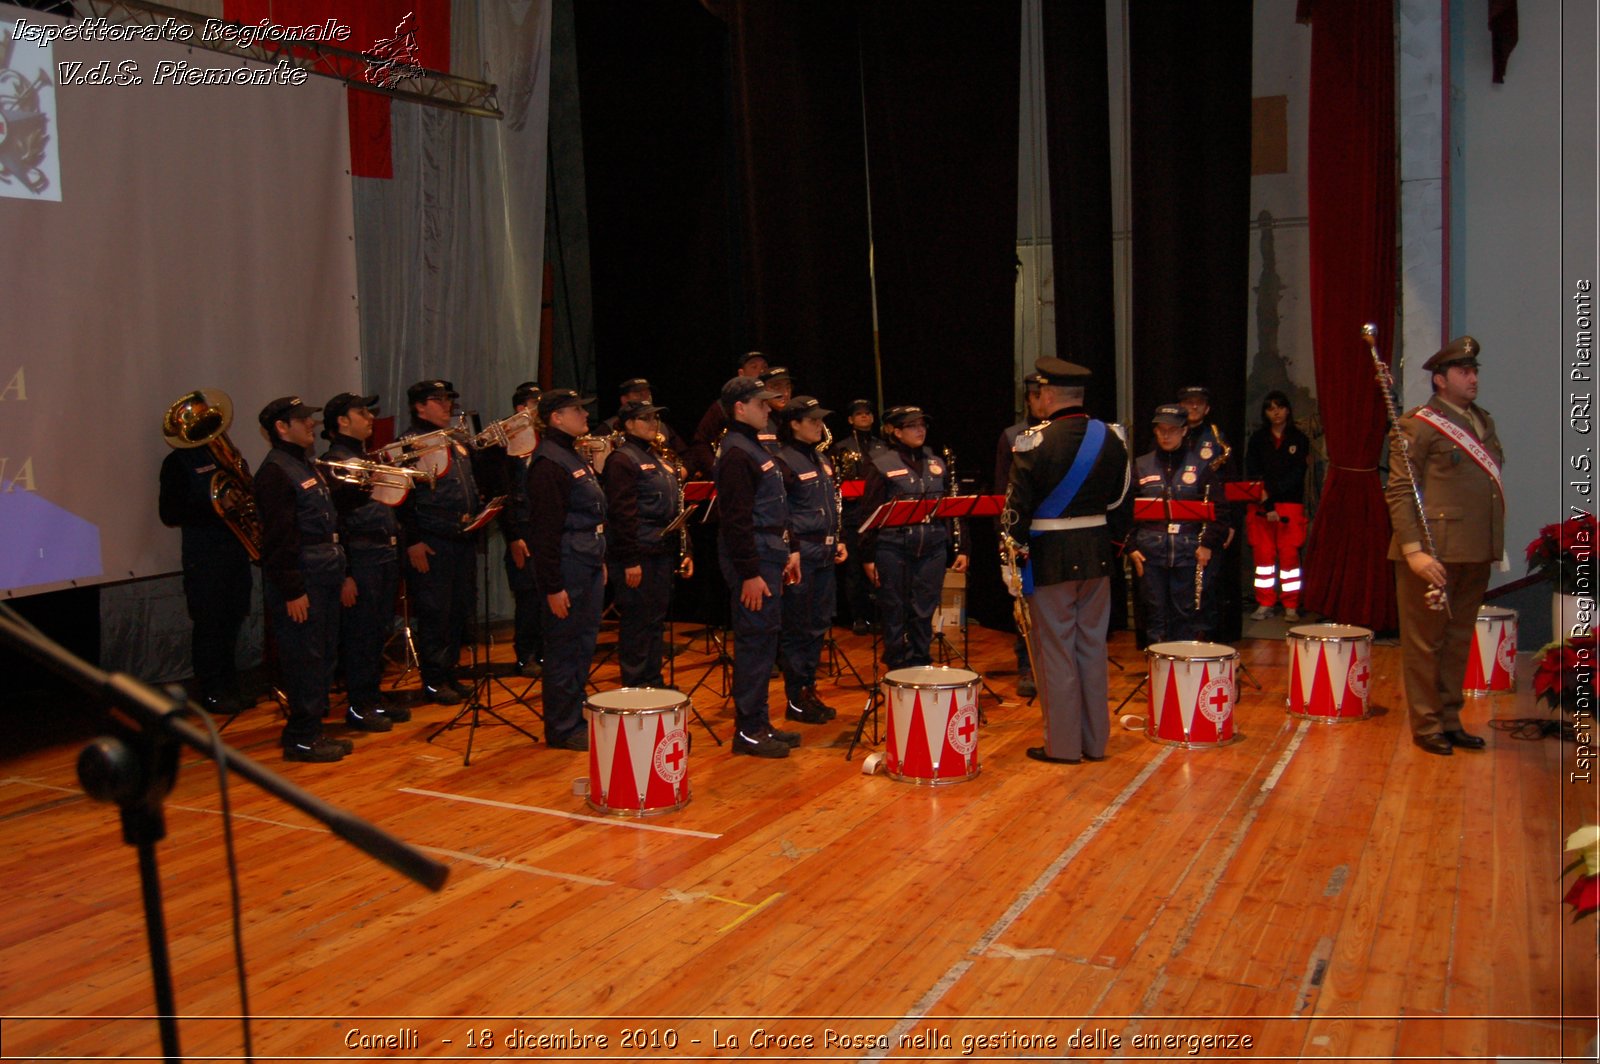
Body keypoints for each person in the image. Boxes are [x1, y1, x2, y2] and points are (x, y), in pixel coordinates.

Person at [1004, 359, 1130, 764]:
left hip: (1051, 559)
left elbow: (1015, 512)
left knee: (1055, 651)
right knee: (1091, 648)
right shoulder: (1113, 438)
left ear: (1050, 395)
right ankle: (1095, 744)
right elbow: (1120, 503)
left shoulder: (1032, 441)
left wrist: (1010, 557)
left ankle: (1062, 747)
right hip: (1097, 556)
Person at [1385, 336, 1503, 757]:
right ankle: (1427, 723)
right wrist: (1414, 551)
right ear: (1440, 380)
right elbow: (1400, 490)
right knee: (1424, 642)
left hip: (1473, 550)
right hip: (1433, 552)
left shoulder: (1482, 422)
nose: (1472, 378)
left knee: (1457, 641)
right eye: (1463, 372)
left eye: (1474, 371)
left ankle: (1450, 719)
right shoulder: (1417, 425)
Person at [253, 396, 348, 762]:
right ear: (281, 427)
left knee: (322, 655)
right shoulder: (276, 471)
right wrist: (292, 589)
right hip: (302, 580)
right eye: (302, 419)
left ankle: (314, 730)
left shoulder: (304, 464)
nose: (311, 424)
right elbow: (278, 538)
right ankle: (302, 737)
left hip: (323, 573)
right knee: (304, 658)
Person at [714, 375, 802, 758]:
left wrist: (785, 551)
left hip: (768, 551)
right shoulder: (736, 452)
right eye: (761, 404)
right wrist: (750, 572)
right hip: (753, 556)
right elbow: (735, 519)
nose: (769, 409)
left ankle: (760, 722)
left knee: (765, 641)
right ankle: (748, 730)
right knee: (753, 643)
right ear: (740, 408)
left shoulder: (751, 445)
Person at [157, 390, 253, 715]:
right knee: (210, 624)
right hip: (205, 555)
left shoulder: (225, 456)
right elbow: (169, 513)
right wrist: (215, 505)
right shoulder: (176, 463)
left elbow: (248, 494)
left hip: (235, 550)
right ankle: (212, 691)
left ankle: (231, 686)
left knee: (233, 619)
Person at [321, 392, 409, 731]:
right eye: (361, 412)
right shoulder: (337, 461)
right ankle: (360, 705)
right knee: (361, 633)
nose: (370, 418)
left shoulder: (364, 457)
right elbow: (336, 521)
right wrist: (346, 573)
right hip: (362, 557)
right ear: (342, 421)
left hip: (383, 553)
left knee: (378, 631)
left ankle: (371, 696)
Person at [859, 405, 969, 671]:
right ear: (896, 432)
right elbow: (869, 515)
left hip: (932, 547)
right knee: (895, 608)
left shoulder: (936, 462)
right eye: (912, 426)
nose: (920, 430)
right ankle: (897, 663)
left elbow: (952, 508)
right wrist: (867, 557)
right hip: (893, 548)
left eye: (922, 425)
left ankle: (921, 660)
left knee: (924, 607)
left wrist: (962, 547)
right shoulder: (881, 464)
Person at [527, 389, 607, 751]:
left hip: (586, 560)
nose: (585, 416)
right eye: (577, 411)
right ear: (556, 417)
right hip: (567, 565)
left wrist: (599, 561)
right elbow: (544, 532)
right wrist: (553, 585)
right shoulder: (548, 462)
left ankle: (575, 716)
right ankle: (562, 727)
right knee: (563, 647)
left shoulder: (570, 454)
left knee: (583, 644)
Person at [397, 379, 483, 705]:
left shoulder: (452, 440)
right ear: (419, 406)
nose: (447, 405)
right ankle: (433, 680)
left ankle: (449, 673)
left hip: (461, 537)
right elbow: (401, 497)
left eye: (448, 398)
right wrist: (413, 541)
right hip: (432, 540)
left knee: (459, 609)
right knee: (435, 612)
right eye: (438, 399)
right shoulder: (409, 444)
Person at [602, 398, 690, 688]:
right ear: (628, 424)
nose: (653, 424)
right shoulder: (622, 459)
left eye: (655, 418)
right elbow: (621, 515)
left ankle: (653, 680)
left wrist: (685, 550)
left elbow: (674, 507)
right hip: (637, 552)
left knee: (655, 620)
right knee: (637, 622)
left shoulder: (657, 457)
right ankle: (637, 684)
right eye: (645, 419)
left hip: (660, 550)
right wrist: (629, 559)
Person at [1126, 404, 1229, 644]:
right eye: (1161, 430)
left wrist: (1207, 545)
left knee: (1185, 614)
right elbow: (1125, 510)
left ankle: (1182, 677)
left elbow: (1220, 512)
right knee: (1155, 615)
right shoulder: (1141, 465)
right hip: (1150, 553)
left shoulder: (1202, 467)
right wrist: (1131, 547)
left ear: (1184, 431)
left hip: (1188, 551)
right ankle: (1158, 675)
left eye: (1172, 430)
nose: (1166, 435)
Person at [776, 397, 845, 724]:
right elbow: (782, 512)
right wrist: (791, 550)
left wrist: (838, 538)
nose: (820, 425)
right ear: (793, 424)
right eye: (812, 420)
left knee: (818, 624)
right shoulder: (783, 461)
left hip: (826, 552)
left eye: (820, 420)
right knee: (797, 627)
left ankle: (808, 689)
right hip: (801, 554)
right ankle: (796, 696)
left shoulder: (821, 458)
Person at [995, 372, 1050, 697]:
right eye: (1037, 395)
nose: (1044, 401)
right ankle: (1027, 665)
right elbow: (1003, 490)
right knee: (1023, 603)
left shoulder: (1060, 432)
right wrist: (1004, 537)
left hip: (1055, 530)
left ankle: (1053, 665)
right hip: (1022, 531)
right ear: (1028, 399)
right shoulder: (1012, 435)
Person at [1244, 390, 1312, 622]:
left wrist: (1272, 494)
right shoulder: (1257, 439)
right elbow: (1252, 471)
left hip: (1289, 505)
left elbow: (1297, 474)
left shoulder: (1299, 439)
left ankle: (1291, 604)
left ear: (1288, 410)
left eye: (1280, 407)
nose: (1276, 412)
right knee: (1263, 559)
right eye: (1271, 408)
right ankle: (1264, 602)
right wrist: (1265, 498)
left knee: (1290, 558)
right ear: (1265, 412)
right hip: (1260, 504)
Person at [496, 381, 545, 679]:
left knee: (546, 594)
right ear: (521, 408)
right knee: (528, 596)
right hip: (523, 530)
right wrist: (513, 535)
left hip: (546, 530)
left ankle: (543, 652)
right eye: (537, 403)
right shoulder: (509, 443)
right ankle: (525, 655)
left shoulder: (545, 438)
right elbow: (504, 494)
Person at [832, 398, 884, 635]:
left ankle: (878, 614)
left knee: (877, 565)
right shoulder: (841, 447)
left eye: (868, 413)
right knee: (854, 569)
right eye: (859, 414)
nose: (864, 417)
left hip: (876, 514)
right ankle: (858, 616)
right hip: (853, 514)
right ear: (851, 419)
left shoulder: (883, 446)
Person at [689, 350, 768, 476]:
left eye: (765, 367)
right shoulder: (723, 407)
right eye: (754, 367)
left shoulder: (774, 404)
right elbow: (700, 443)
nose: (761, 372)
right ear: (741, 373)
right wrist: (716, 470)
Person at [604, 377, 691, 460]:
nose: (646, 398)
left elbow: (688, 456)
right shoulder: (608, 428)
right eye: (639, 394)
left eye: (648, 394)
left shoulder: (663, 427)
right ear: (624, 399)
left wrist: (679, 472)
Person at [1177, 385, 1231, 471]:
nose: (1194, 407)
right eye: (1189, 402)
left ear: (1207, 409)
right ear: (1179, 407)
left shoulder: (1218, 438)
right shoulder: (1168, 435)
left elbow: (1230, 474)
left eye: (1200, 403)